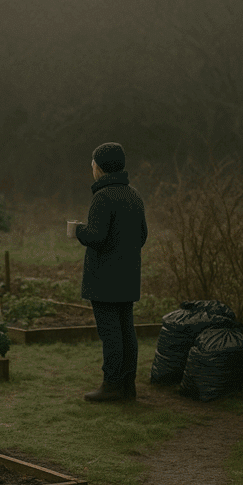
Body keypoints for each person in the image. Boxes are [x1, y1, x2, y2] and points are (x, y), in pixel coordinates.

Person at [71, 142, 147, 402]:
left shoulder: (102, 197)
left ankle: (111, 386)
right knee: (127, 331)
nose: (91, 168)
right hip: (128, 277)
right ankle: (128, 386)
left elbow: (97, 236)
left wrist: (79, 230)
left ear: (100, 167)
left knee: (110, 334)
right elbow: (142, 236)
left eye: (93, 163)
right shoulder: (133, 195)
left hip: (104, 279)